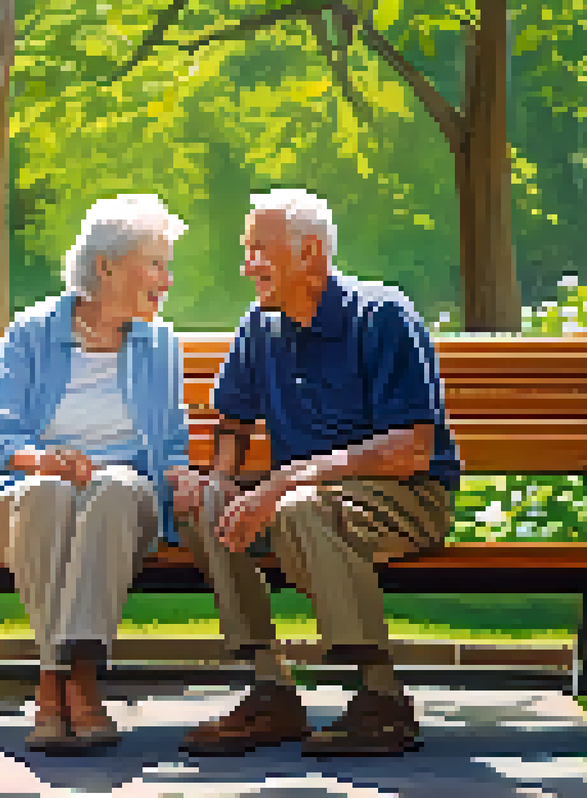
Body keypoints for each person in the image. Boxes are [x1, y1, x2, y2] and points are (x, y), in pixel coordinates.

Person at [170, 188, 462, 757]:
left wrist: (285, 481)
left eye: (260, 250)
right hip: (306, 501)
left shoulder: (382, 317)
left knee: (301, 506)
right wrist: (221, 477)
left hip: (406, 498)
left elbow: (412, 449)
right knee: (207, 504)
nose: (247, 265)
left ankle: (380, 698)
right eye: (245, 249)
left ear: (310, 253)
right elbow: (232, 420)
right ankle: (270, 691)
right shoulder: (261, 325)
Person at [0, 194, 194, 753]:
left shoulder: (160, 343)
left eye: (167, 266)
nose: (167, 279)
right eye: (157, 264)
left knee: (114, 490)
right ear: (106, 267)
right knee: (47, 496)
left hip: (123, 498)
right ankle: (63, 681)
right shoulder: (33, 332)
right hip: (28, 487)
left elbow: (169, 445)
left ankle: (68, 679)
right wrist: (44, 461)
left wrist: (181, 477)